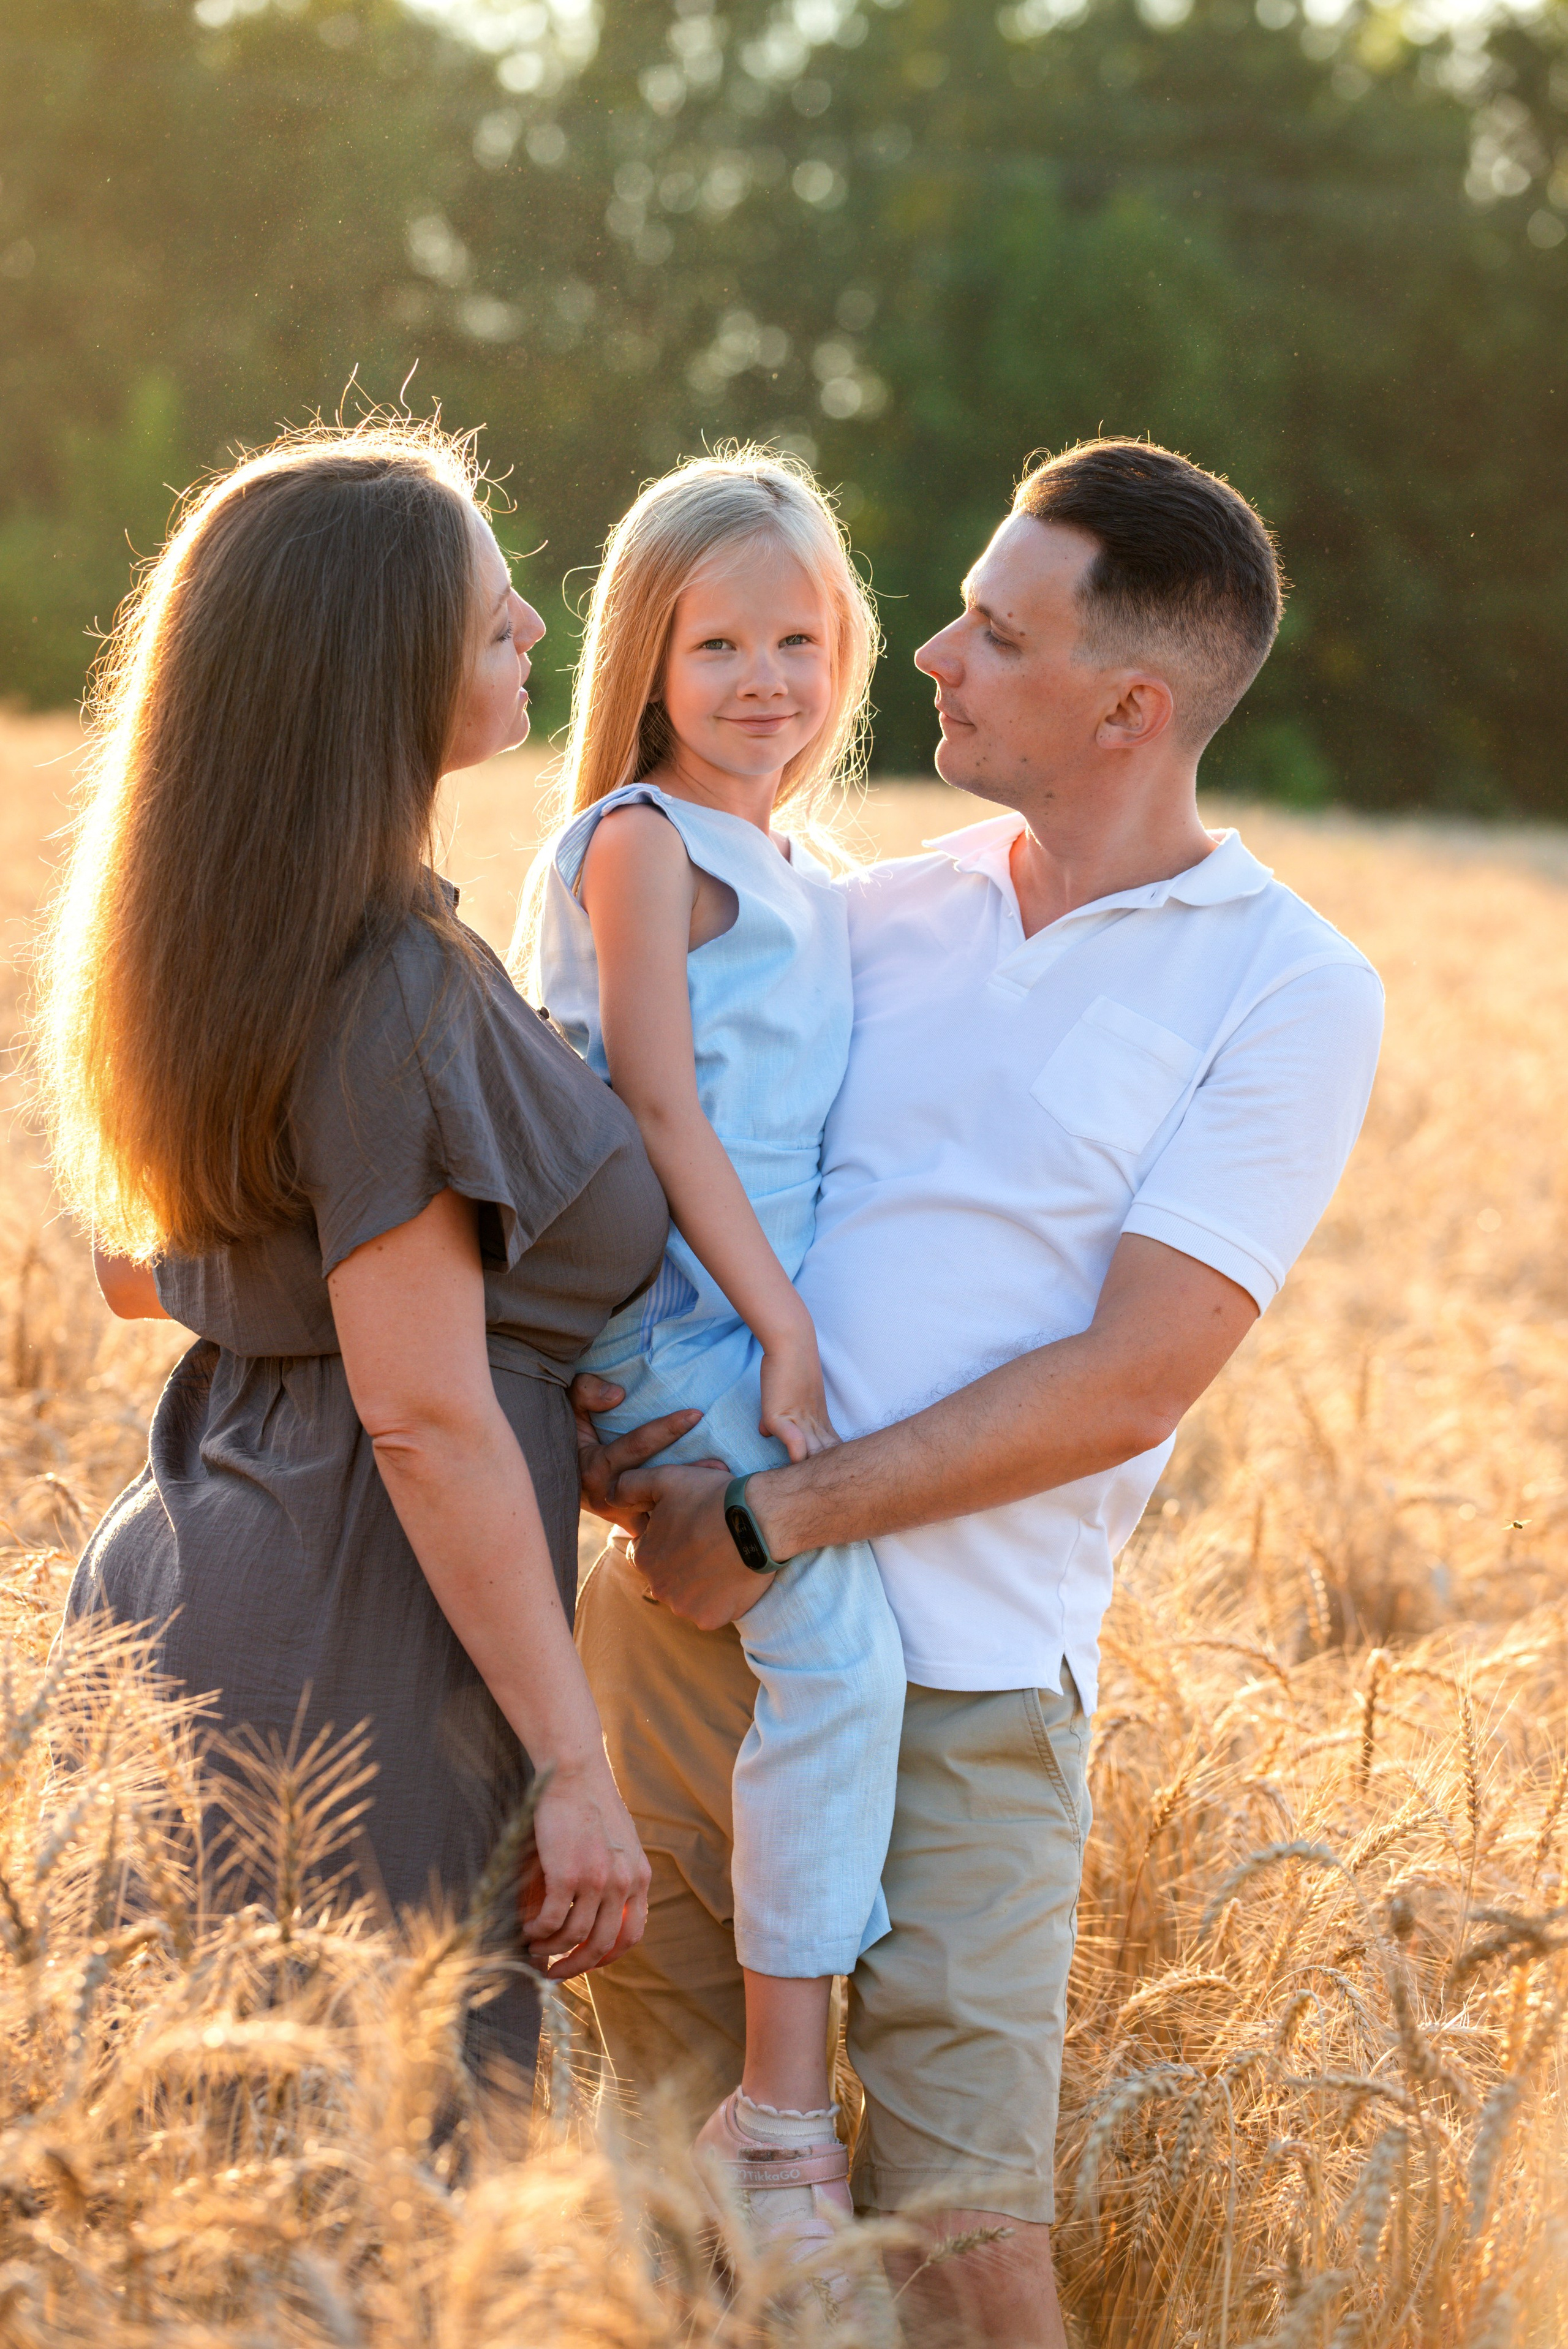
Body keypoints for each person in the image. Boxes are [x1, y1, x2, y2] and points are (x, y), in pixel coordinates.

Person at [573, 439, 1385, 2344]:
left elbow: (1134, 1375)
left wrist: (771, 1514)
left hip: (966, 1687)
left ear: (1130, 704)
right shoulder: (870, 905)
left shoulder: (1286, 984)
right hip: (685, 1640)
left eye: (995, 631)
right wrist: (603, 1432)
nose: (925, 651)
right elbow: (673, 1155)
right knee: (669, 2195)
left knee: (961, 2239)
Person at [37, 420, 684, 2076]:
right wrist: (572, 1763)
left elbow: (151, 1262)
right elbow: (424, 1409)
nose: (537, 626)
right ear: (375, 674)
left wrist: (541, 1379)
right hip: (366, 1641)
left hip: (199, 1567)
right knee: (390, 2173)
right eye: (491, 616)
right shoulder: (390, 975)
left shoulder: (250, 937)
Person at [528, 452, 906, 2271]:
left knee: (814, 1652)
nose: (768, 677)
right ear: (648, 658)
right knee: (834, 1641)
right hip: (673, 1301)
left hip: (736, 1296)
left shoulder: (804, 865)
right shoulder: (640, 844)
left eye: (801, 636)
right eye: (721, 642)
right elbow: (661, 1105)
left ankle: (745, 2098)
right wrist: (783, 1322)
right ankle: (776, 2116)